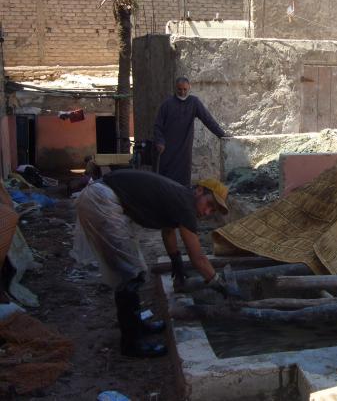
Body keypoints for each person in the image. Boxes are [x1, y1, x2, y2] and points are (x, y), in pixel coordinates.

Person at [75, 170, 240, 358]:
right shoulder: (186, 204)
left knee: (134, 270)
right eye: (209, 205)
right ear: (200, 191)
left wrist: (176, 260)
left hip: (101, 197)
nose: (207, 212)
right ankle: (131, 344)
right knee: (130, 274)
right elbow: (199, 259)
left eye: (213, 211)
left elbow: (168, 231)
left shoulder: (180, 197)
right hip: (102, 200)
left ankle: (138, 327)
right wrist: (219, 284)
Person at [153, 77, 229, 281]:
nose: (183, 92)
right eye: (180, 89)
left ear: (190, 88)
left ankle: (181, 222)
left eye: (186, 89)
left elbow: (207, 119)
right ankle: (176, 258)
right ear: (175, 88)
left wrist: (222, 135)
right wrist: (159, 142)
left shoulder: (194, 103)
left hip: (183, 156)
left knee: (182, 192)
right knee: (167, 198)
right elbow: (158, 126)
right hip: (167, 154)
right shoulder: (167, 105)